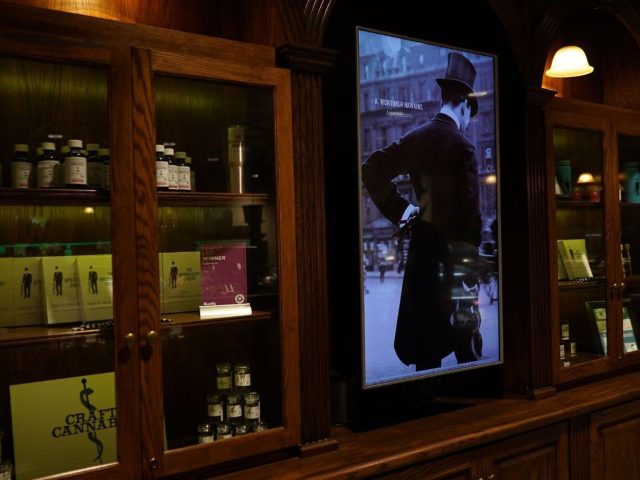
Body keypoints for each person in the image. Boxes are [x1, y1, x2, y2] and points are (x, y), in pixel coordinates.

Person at [362, 52, 482, 370]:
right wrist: (470, 275)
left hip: (423, 260)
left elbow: (371, 169)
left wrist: (404, 210)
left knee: (426, 350)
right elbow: (470, 216)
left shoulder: (416, 138)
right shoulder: (463, 147)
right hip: (455, 264)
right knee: (466, 350)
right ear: (464, 104)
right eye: (470, 113)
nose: (468, 122)